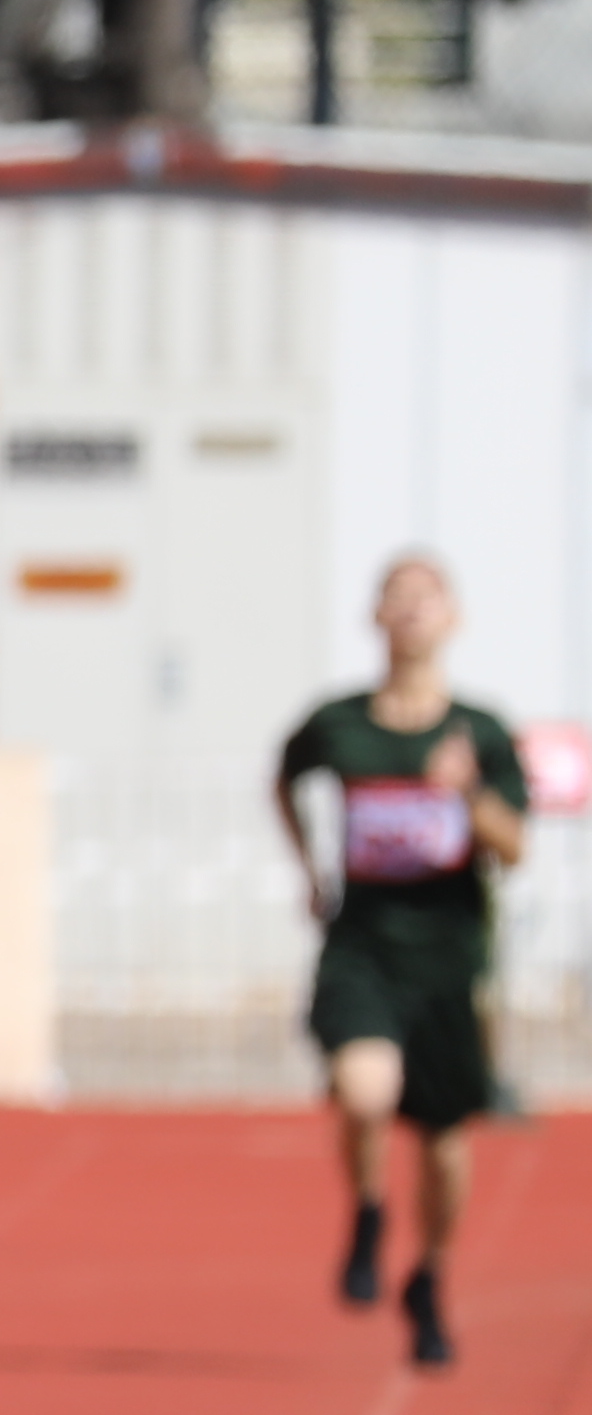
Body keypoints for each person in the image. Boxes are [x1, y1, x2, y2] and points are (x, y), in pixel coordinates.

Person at [288, 551, 531, 1370]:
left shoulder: (481, 731)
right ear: (376, 616)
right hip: (361, 944)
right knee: (364, 1092)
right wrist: (308, 870)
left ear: (454, 618)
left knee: (441, 1140)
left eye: (428, 598)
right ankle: (367, 1208)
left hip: (448, 958)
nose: (413, 610)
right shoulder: (340, 724)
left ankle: (429, 1278)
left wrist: (466, 792)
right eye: (398, 596)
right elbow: (282, 776)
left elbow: (515, 846)